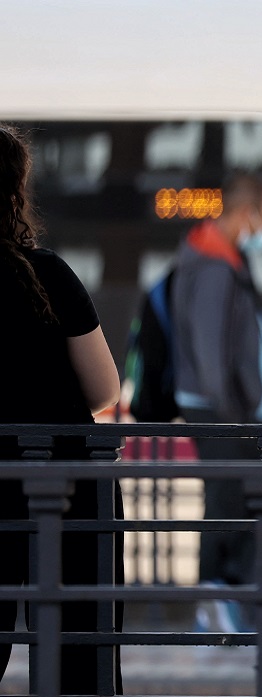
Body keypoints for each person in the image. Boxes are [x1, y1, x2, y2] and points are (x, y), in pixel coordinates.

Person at [0, 124, 124, 694]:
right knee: (79, 660)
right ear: (15, 191)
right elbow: (103, 390)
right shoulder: (46, 274)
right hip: (68, 484)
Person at [171, 171, 262, 633]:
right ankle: (217, 610)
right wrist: (234, 414)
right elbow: (212, 351)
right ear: (244, 213)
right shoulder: (214, 266)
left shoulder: (223, 260)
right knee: (227, 503)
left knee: (239, 502)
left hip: (229, 407)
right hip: (221, 409)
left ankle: (230, 607)